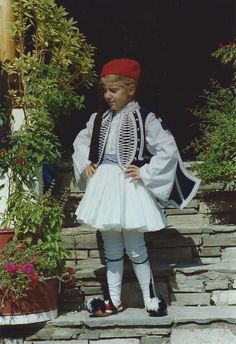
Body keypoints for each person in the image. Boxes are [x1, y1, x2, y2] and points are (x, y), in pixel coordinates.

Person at [72, 58, 200, 317]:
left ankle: (151, 297)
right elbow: (81, 141)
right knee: (112, 247)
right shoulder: (98, 119)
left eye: (114, 90)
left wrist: (147, 171)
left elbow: (167, 148)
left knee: (135, 245)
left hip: (129, 185)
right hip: (105, 188)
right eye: (105, 90)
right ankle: (113, 300)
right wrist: (86, 163)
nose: (108, 96)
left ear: (130, 89)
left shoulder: (145, 118)